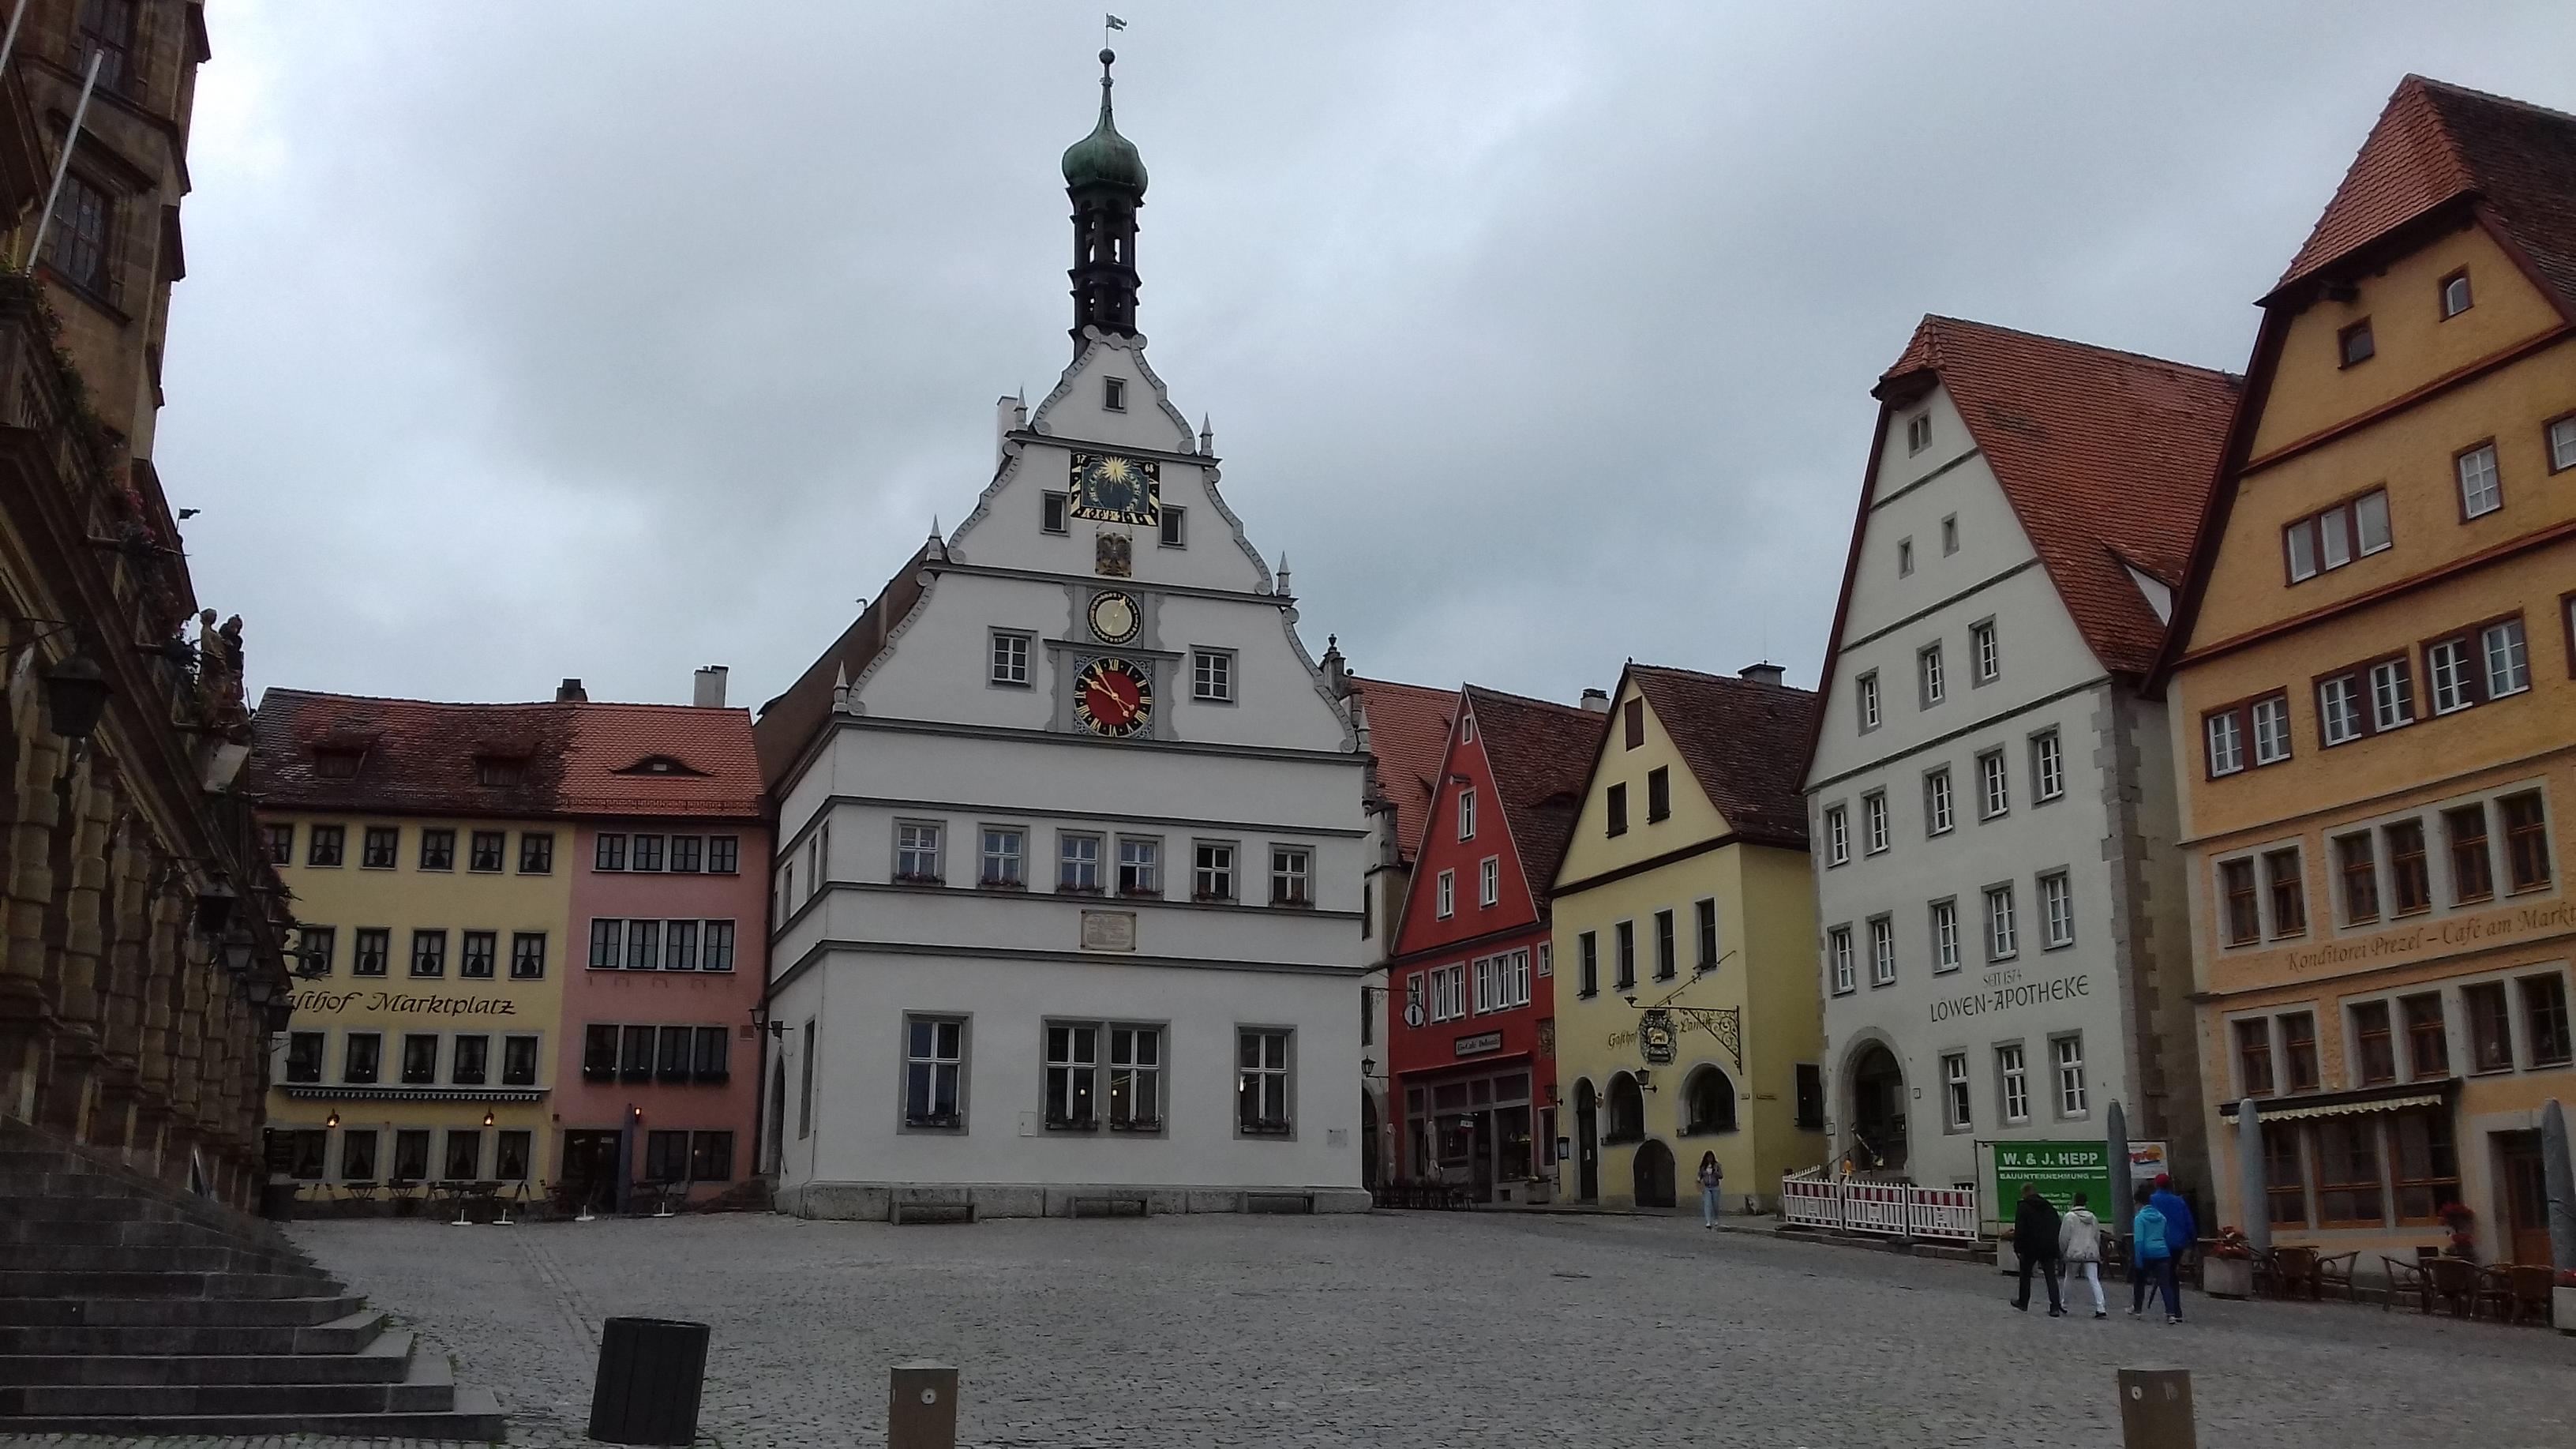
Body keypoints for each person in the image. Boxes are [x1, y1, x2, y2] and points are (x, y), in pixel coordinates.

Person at [2010, 1183, 2064, 1316]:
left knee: (2025, 1275)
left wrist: (2018, 1247)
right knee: (2050, 1277)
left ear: (2024, 1193)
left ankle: (2023, 1302)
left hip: (2030, 1247)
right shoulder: (2048, 1207)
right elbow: (2057, 1226)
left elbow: (2020, 1229)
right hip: (2048, 1247)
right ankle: (2055, 1306)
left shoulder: (2023, 1207)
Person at [2130, 1184, 2181, 1323]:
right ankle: (2171, 1314)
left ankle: (2138, 1310)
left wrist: (2138, 1260)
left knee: (2140, 1282)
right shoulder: (2161, 1217)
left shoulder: (2140, 1219)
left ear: (2138, 1203)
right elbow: (2166, 1233)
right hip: (2163, 1253)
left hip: (2147, 1253)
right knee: (2165, 1284)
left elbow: (2139, 1241)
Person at [2058, 1191, 2107, 1319]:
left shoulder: (2069, 1217)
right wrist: (2096, 1249)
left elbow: (2064, 1237)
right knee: (2094, 1279)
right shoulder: (2093, 1218)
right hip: (2090, 1251)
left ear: (2074, 1201)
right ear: (2086, 1203)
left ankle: (2064, 1304)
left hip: (2074, 1252)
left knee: (2069, 1278)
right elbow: (2097, 1236)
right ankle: (2101, 1307)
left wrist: (2063, 1251)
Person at [2149, 1173, 2199, 1281]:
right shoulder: (2179, 1201)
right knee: (2171, 1269)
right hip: (2178, 1243)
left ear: (2156, 1185)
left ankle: (2167, 1289)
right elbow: (2189, 1223)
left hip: (2158, 1243)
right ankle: (2173, 1290)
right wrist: (2193, 1240)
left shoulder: (2151, 1201)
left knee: (2164, 1272)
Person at [1697, 1151, 1723, 1229]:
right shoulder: (1703, 1167)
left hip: (1715, 1187)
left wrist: (1714, 1172)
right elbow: (1700, 1175)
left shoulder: (1717, 1166)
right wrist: (1699, 1179)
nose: (1709, 1159)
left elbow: (1721, 1176)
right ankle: (1708, 1221)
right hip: (1706, 1187)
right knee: (1707, 1204)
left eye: (1711, 1157)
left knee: (1715, 1204)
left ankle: (1716, 1219)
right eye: (1708, 1157)